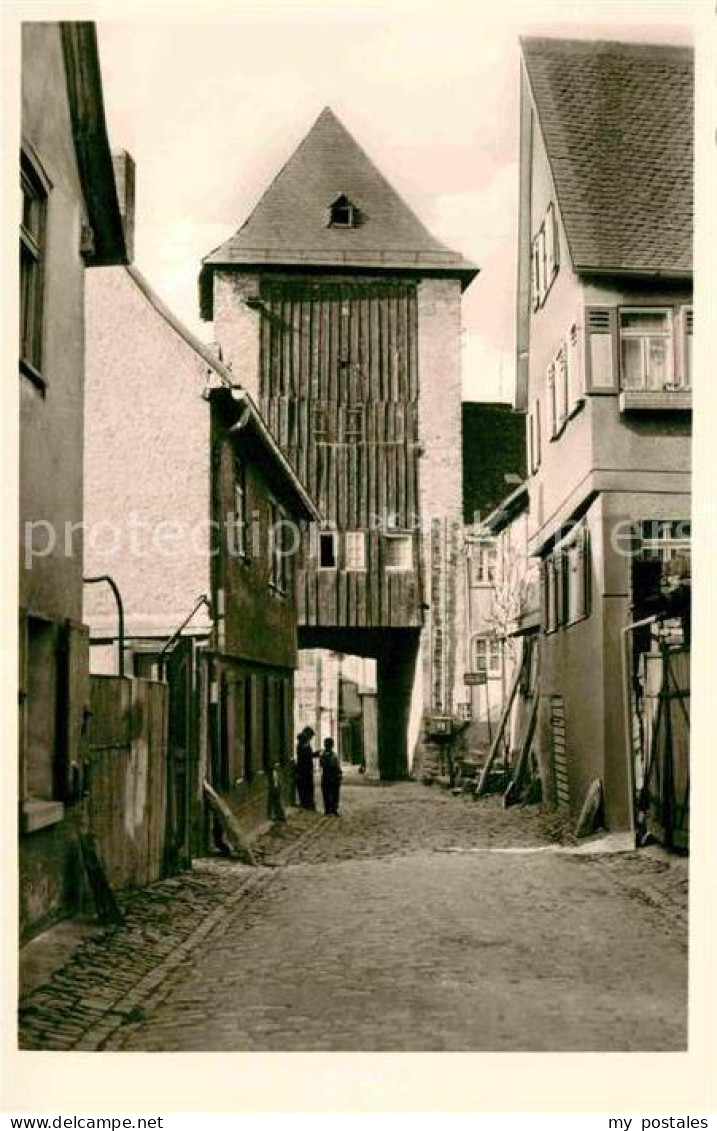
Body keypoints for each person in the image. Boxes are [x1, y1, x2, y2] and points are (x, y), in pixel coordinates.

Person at [295, 726, 317, 810]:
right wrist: (314, 754)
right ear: (307, 734)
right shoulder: (303, 743)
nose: (311, 738)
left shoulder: (303, 743)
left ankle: (307, 803)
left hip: (305, 769)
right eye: (310, 736)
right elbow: (305, 756)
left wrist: (314, 754)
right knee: (306, 787)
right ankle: (307, 803)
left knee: (306, 787)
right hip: (304, 769)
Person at [320, 736, 342, 816]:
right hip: (329, 775)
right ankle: (330, 808)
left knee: (333, 793)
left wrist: (339, 773)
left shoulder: (331, 755)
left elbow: (337, 766)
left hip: (330, 775)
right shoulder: (329, 755)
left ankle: (332, 809)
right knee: (329, 792)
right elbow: (323, 764)